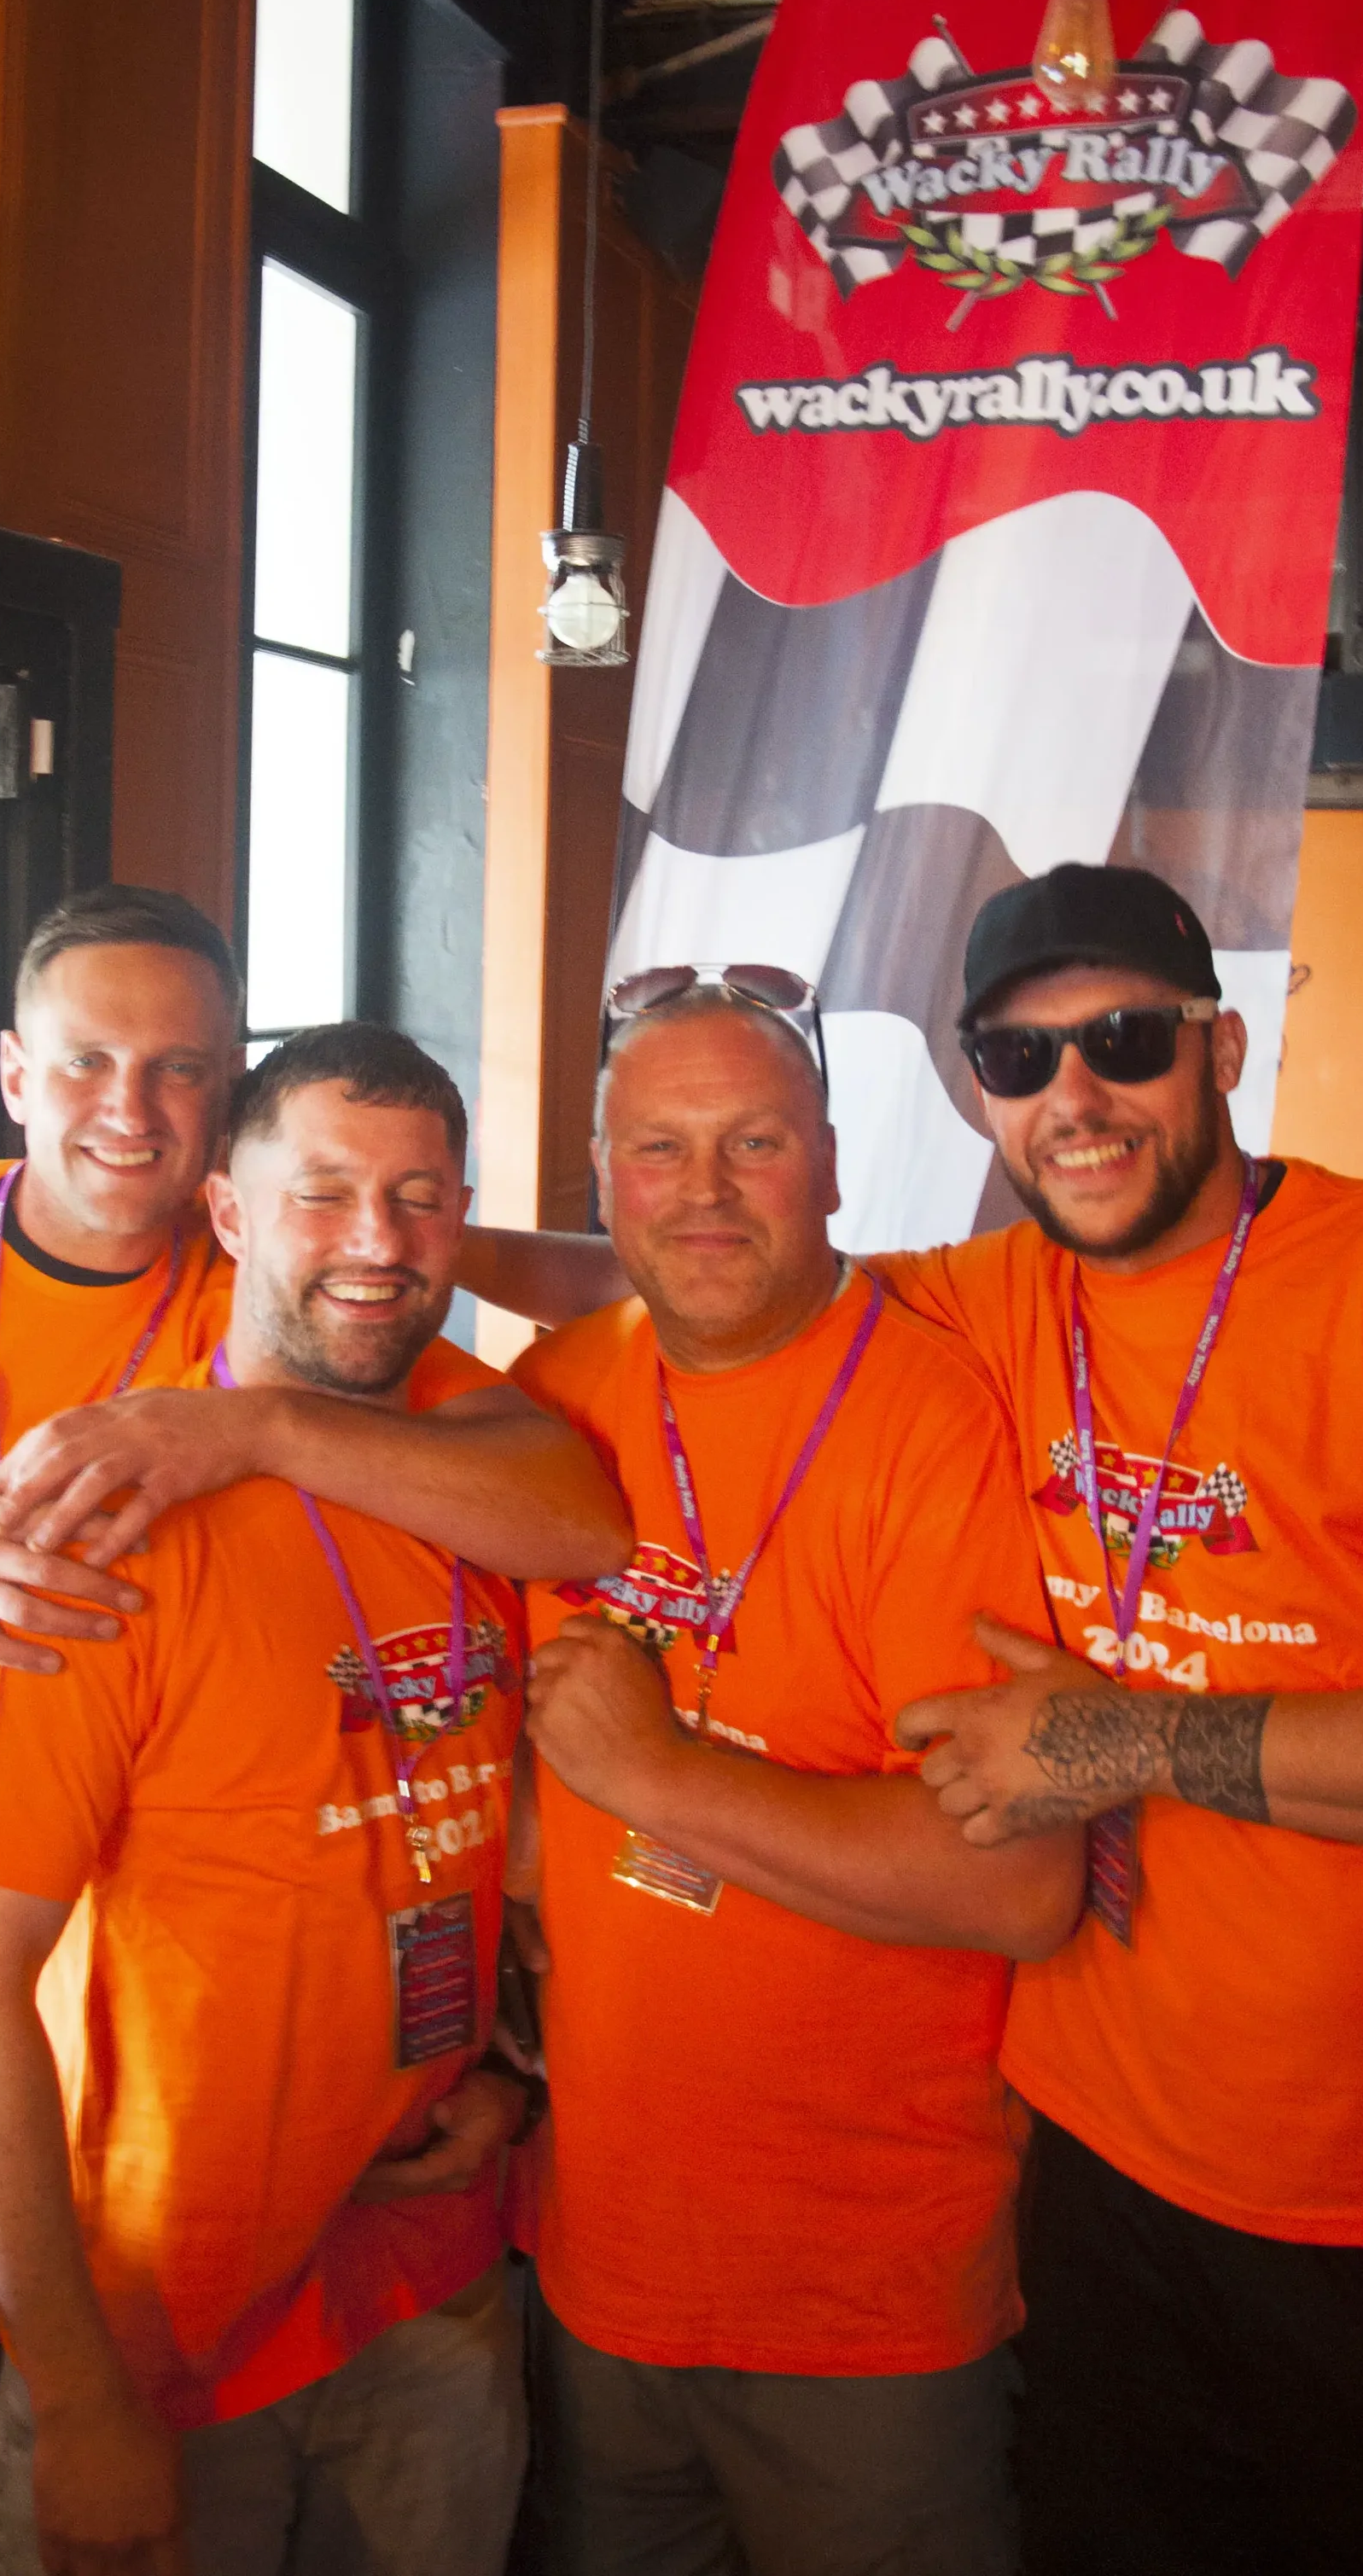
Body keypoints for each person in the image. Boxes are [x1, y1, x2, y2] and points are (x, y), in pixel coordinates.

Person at [460, 877, 1363, 2575]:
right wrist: (391, 1248)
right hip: (1106, 2178)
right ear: (978, 1092)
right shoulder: (991, 1296)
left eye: (1123, 1039)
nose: (1076, 1096)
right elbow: (704, 1257)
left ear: (1222, 1049)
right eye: (1020, 1057)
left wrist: (1140, 1745)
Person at [0, 893, 623, 2576]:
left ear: (225, 1111)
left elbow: (561, 1485)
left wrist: (257, 1424)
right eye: (89, 1060)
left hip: (144, 2107)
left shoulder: (270, 1286)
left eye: (182, 1068)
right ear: (15, 1073)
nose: (132, 1108)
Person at [0, 1026, 536, 2576]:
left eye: (420, 1197)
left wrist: (519, 2077)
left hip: (432, 2282)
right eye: (323, 1193)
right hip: (160, 2330)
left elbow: (497, 1845)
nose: (378, 1241)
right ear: (232, 1215)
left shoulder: (479, 1474)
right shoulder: (99, 1531)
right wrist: (78, 2400)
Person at [508, 979, 1084, 2576]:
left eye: (753, 1143)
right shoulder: (549, 1398)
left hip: (865, 2301)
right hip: (595, 2264)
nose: (703, 1190)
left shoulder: (931, 1417)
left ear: (829, 1162)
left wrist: (657, 1776)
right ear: (601, 1175)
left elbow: (1019, 1886)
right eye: (658, 1148)